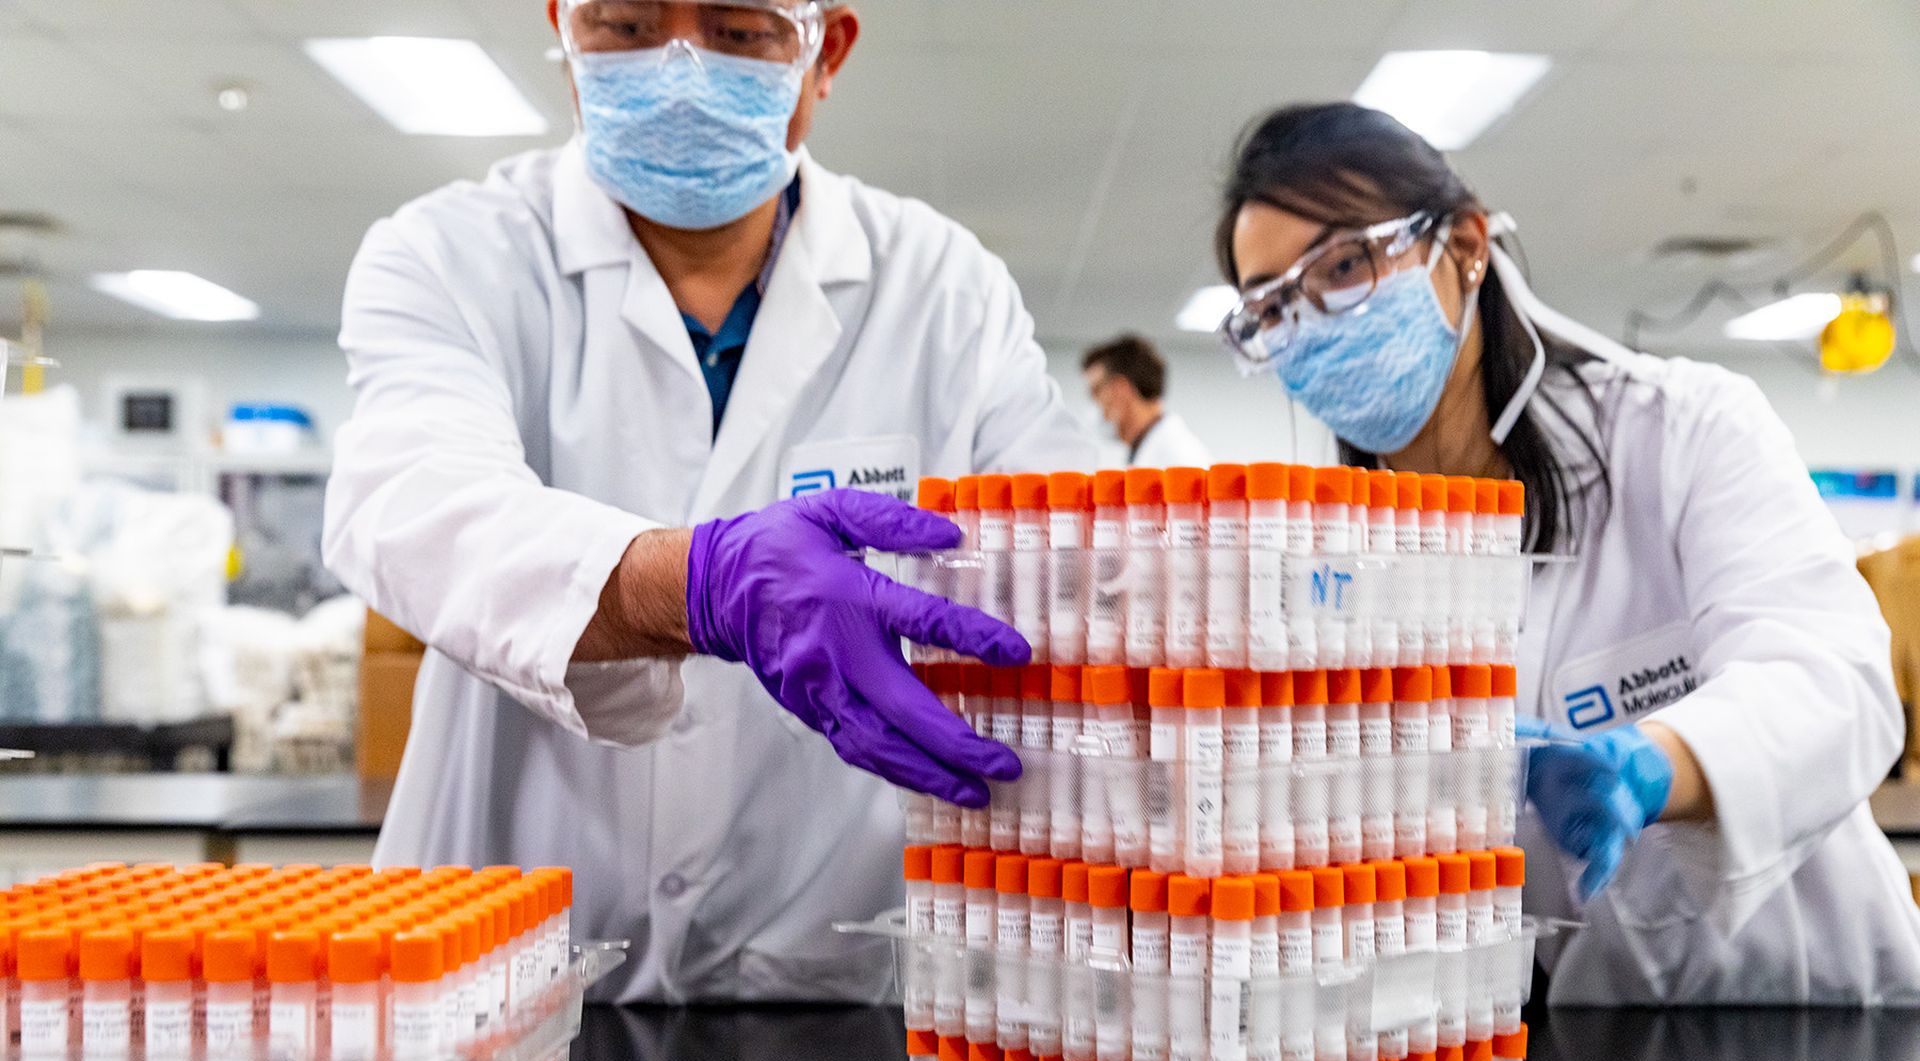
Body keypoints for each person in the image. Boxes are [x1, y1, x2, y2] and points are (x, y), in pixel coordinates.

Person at [321, 0, 1093, 1003]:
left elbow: (1077, 552)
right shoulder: (449, 254)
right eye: (630, 26)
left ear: (827, 54)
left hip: (823, 979)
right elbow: (414, 502)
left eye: (738, 31)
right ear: (565, 32)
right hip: (500, 976)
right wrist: (696, 585)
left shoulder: (945, 289)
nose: (680, 69)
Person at [1213, 102, 1920, 1004]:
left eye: (1345, 266)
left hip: (1819, 1015)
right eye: (1271, 307)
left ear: (1465, 246)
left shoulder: (1680, 430)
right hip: (1591, 1027)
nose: (1311, 324)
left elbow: (1836, 679)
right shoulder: (1340, 556)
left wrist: (1658, 763)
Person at [1081, 333, 1213, 467]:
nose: (1094, 401)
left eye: (1096, 391)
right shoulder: (1147, 448)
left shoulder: (1178, 457)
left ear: (1121, 389)